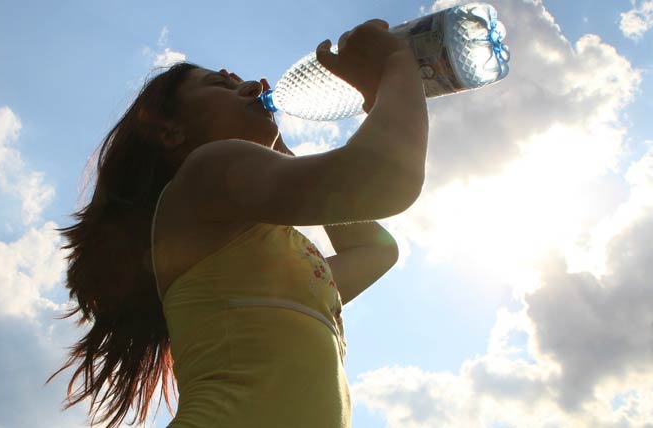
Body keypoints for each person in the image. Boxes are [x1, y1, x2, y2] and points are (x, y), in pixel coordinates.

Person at [46, 18, 428, 428]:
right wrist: (395, 64)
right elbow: (383, 180)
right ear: (171, 132)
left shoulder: (277, 264)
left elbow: (377, 250)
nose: (251, 85)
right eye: (219, 85)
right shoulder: (205, 172)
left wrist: (282, 143)